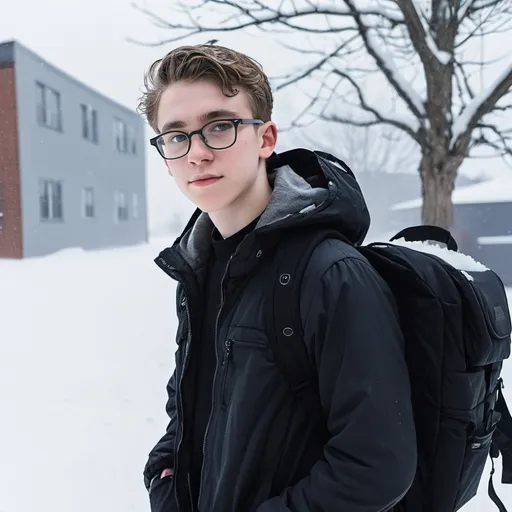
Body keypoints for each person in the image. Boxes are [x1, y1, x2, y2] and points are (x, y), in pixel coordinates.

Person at [138, 44, 417, 512]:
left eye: (220, 126)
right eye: (176, 135)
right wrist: (165, 480)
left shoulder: (330, 273)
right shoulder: (199, 268)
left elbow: (376, 466)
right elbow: (190, 404)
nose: (197, 153)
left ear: (266, 138)